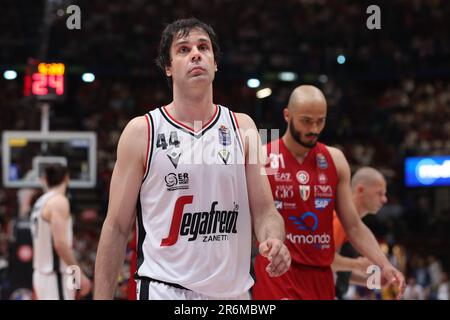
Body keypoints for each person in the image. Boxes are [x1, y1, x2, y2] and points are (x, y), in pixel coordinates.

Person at [94, 18, 290, 300]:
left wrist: (273, 238)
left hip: (232, 295)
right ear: (168, 67)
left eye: (203, 47)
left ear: (215, 62)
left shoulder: (243, 127)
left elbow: (265, 211)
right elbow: (115, 227)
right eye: (183, 49)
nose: (196, 54)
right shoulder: (142, 132)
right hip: (165, 290)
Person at [252, 85, 405, 300]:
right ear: (287, 115)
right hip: (277, 274)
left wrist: (384, 264)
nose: (314, 129)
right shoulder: (264, 156)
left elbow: (353, 225)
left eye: (320, 121)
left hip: (321, 278)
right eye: (306, 121)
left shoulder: (335, 160)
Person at [30, 164, 91, 300]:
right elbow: (60, 245)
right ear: (66, 178)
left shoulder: (40, 202)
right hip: (55, 275)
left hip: (43, 274)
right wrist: (78, 274)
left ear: (45, 180)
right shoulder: (59, 201)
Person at [332, 167, 388, 297]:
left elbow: (340, 272)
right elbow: (322, 260)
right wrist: (357, 264)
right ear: (360, 190)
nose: (384, 199)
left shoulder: (350, 223)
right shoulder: (340, 219)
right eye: (380, 193)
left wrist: (373, 281)